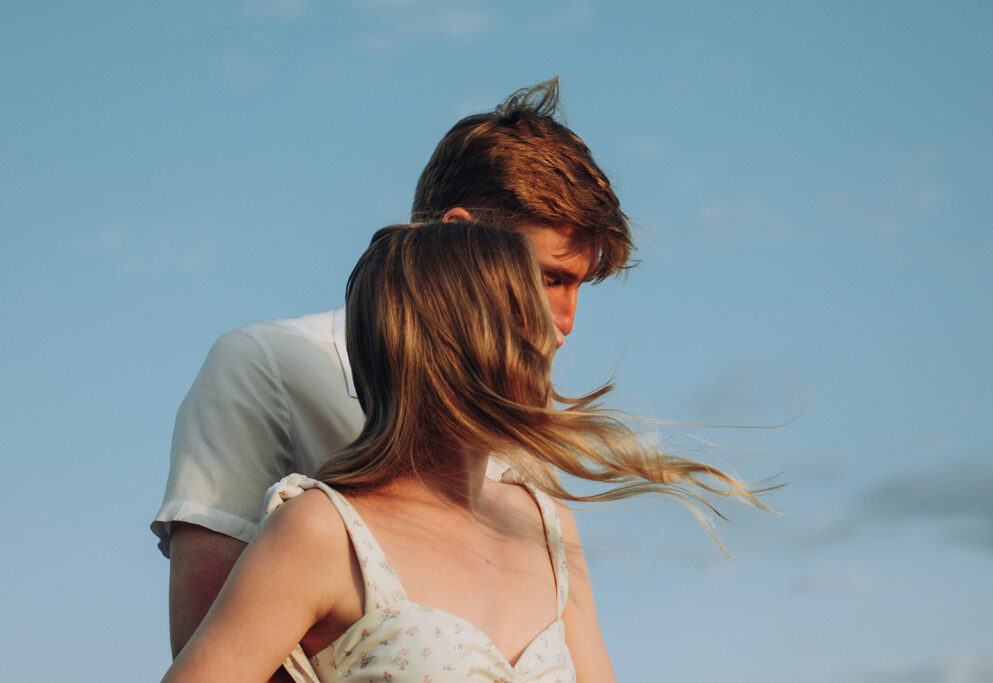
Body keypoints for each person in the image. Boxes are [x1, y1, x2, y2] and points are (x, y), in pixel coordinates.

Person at [152, 77, 635, 659]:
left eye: (578, 285)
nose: (566, 320)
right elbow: (208, 645)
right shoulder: (263, 367)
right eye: (550, 277)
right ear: (458, 238)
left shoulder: (523, 443)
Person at [162, 222, 765, 682]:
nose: (553, 333)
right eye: (527, 308)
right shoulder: (321, 531)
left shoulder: (551, 527)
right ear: (457, 338)